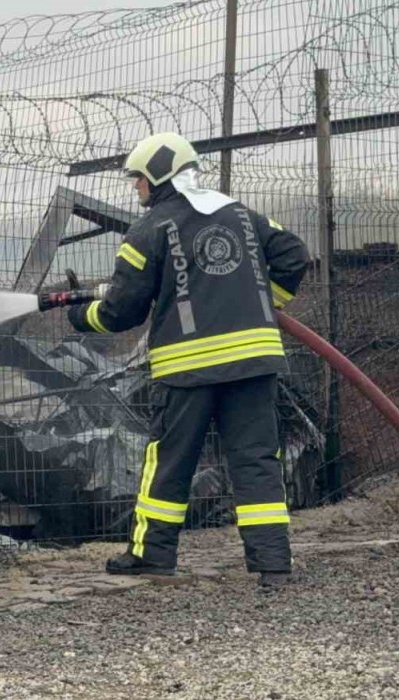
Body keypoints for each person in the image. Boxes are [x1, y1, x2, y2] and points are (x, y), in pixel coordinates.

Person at [68, 132, 309, 587]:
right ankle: (273, 567)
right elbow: (293, 255)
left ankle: (153, 555)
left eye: (138, 179)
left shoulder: (150, 229)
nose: (135, 189)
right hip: (255, 362)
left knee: (171, 460)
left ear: (159, 176)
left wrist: (82, 318)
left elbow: (123, 311)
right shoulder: (238, 213)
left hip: (188, 367)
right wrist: (265, 303)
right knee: (257, 460)